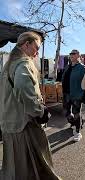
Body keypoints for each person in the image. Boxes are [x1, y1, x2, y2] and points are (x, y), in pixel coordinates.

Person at [0, 31, 61, 179]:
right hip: (24, 126)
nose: (37, 52)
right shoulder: (24, 63)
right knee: (30, 169)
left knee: (14, 168)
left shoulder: (8, 65)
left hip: (10, 125)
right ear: (26, 45)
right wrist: (40, 112)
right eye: (36, 47)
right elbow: (23, 88)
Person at [62, 49, 85, 142]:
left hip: (76, 94)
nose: (71, 55)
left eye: (73, 53)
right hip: (66, 94)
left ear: (78, 55)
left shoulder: (82, 67)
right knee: (66, 111)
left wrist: (82, 93)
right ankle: (78, 122)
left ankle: (78, 131)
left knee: (76, 113)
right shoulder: (67, 66)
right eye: (70, 54)